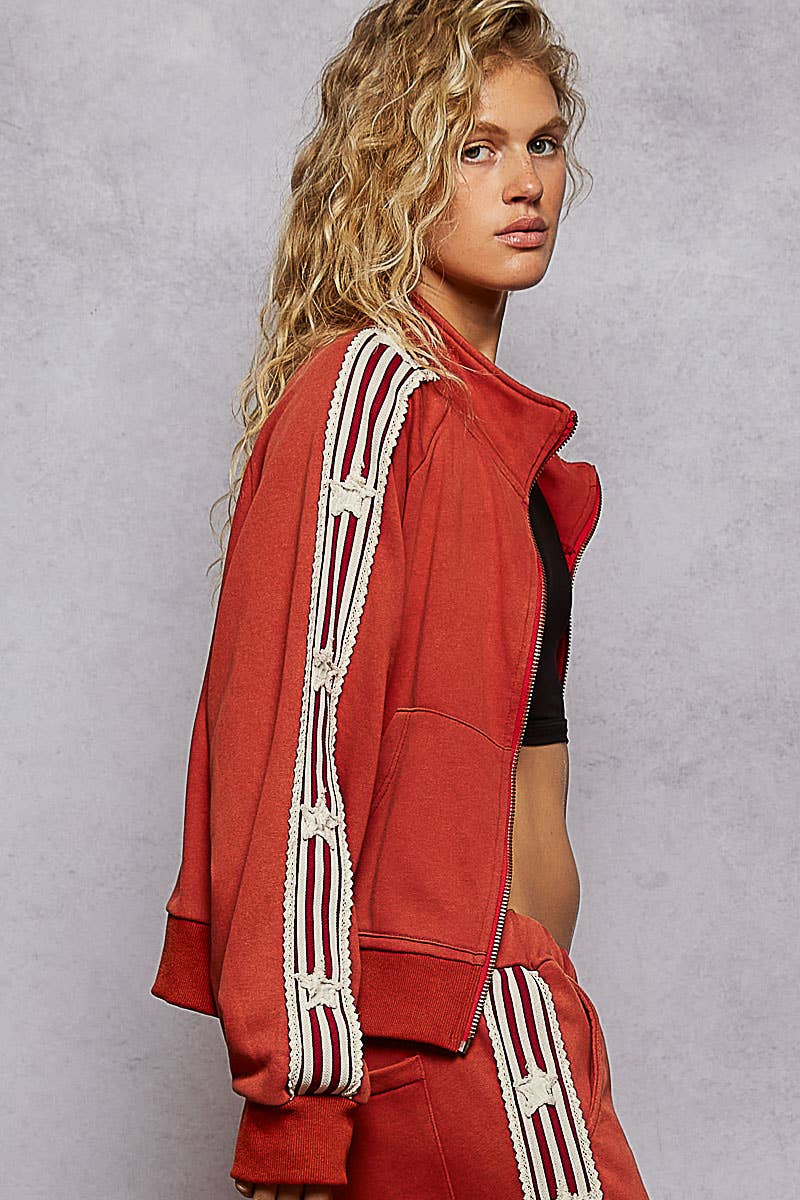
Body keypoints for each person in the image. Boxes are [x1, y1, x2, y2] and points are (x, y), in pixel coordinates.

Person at [151, 1, 651, 1196]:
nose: (522, 183)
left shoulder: (485, 437)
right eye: (473, 148)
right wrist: (295, 1097)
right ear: (393, 170)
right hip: (440, 1035)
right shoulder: (371, 394)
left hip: (522, 1008)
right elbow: (293, 741)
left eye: (540, 143)